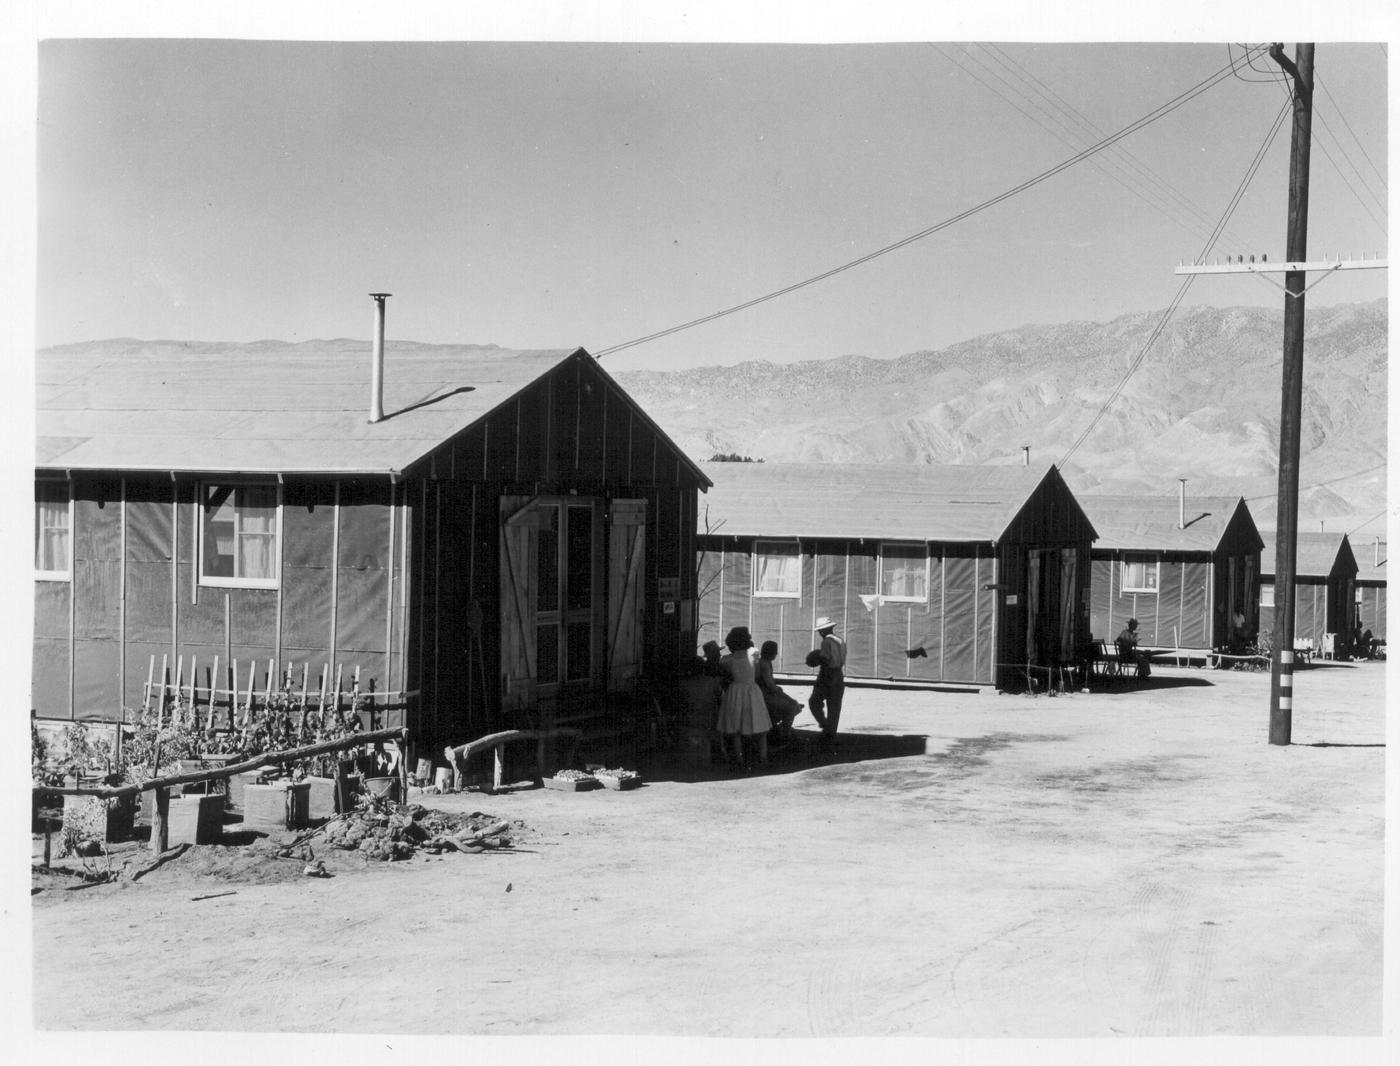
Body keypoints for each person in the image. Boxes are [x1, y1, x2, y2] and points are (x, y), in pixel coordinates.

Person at [715, 626, 772, 770]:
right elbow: (757, 673)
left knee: (737, 728)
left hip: (735, 691)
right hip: (752, 690)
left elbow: (725, 674)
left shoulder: (727, 659)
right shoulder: (754, 653)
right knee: (760, 725)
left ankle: (739, 759)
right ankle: (763, 758)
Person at [808, 616, 847, 749]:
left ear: (823, 631)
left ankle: (825, 726)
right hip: (839, 674)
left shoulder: (826, 642)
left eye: (820, 631)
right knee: (834, 707)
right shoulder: (841, 640)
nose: (819, 633)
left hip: (827, 674)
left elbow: (825, 660)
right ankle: (831, 735)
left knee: (814, 702)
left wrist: (815, 658)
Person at [755, 640, 802, 743]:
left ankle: (781, 730)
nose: (776, 654)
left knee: (794, 706)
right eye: (775, 651)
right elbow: (771, 686)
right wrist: (789, 698)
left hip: (766, 694)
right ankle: (785, 735)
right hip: (764, 696)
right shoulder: (764, 664)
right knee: (793, 707)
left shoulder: (765, 662)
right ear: (771, 652)